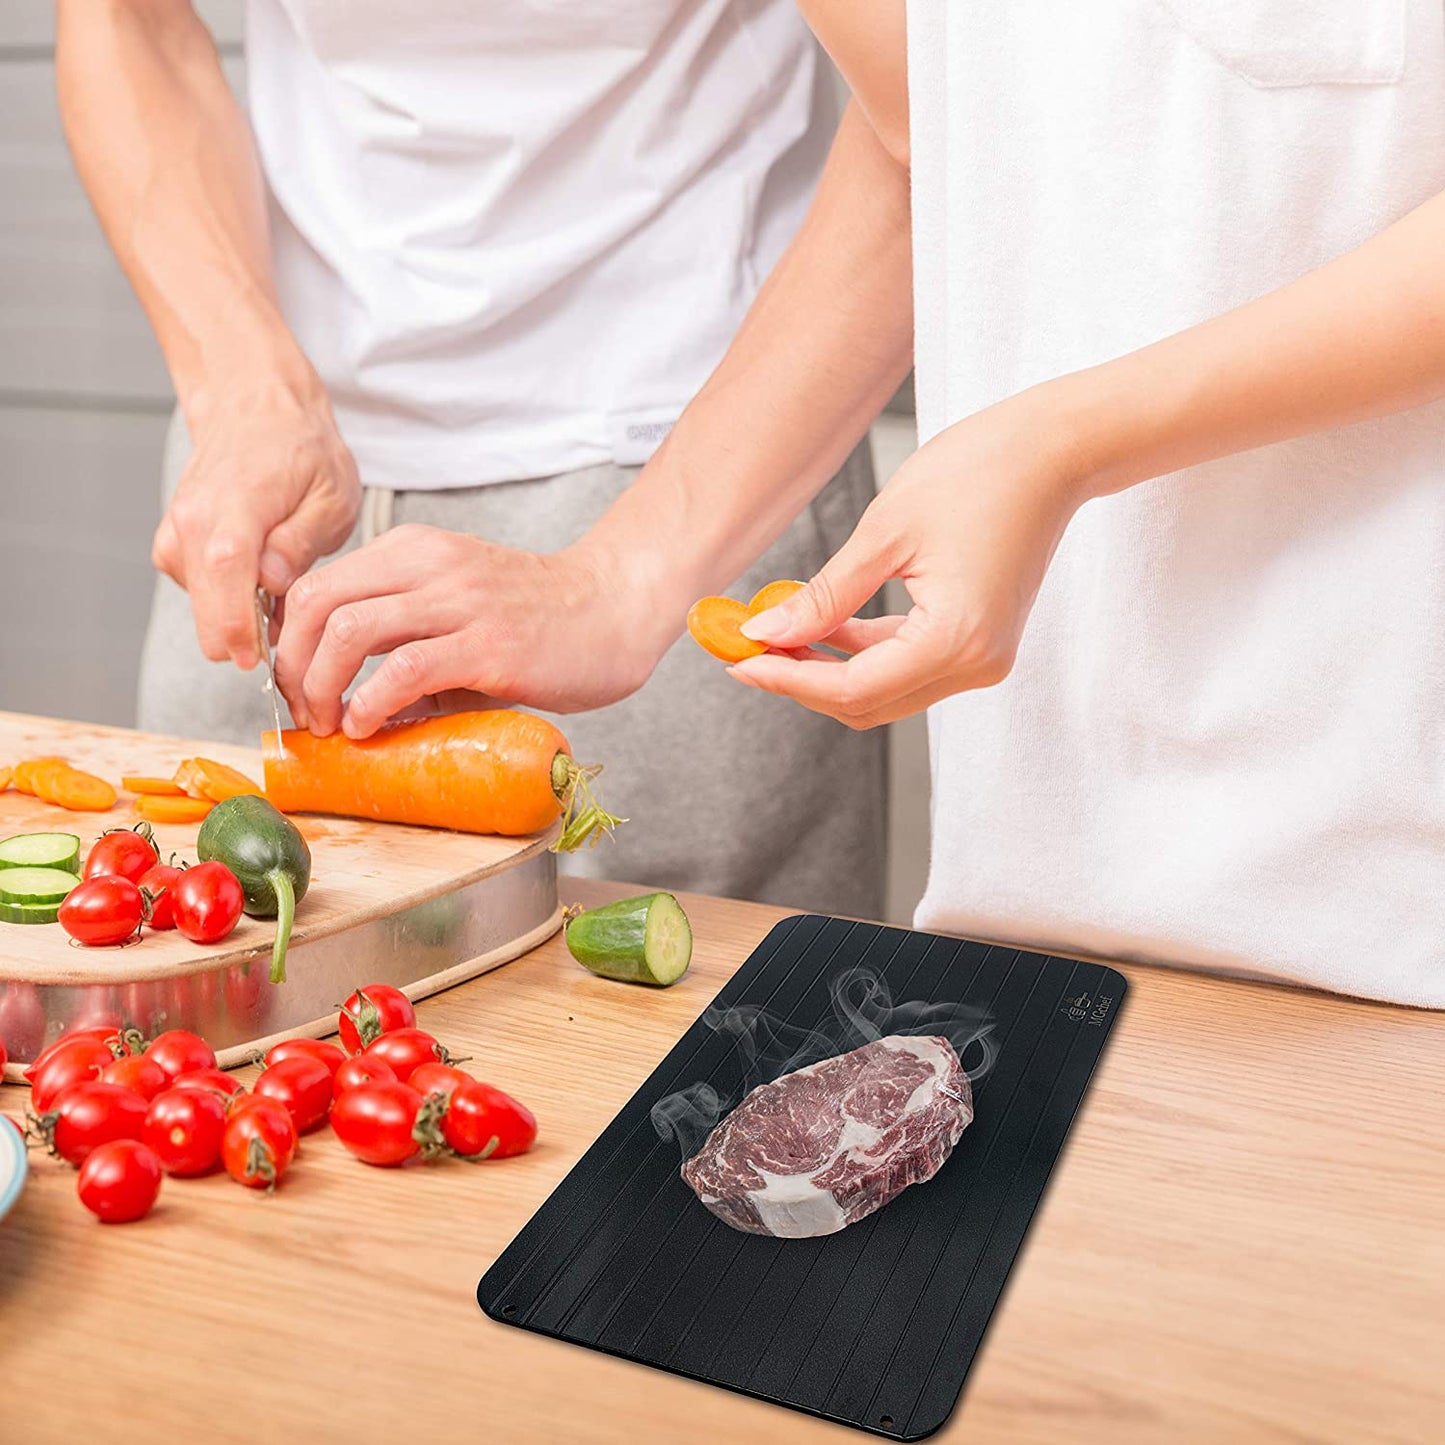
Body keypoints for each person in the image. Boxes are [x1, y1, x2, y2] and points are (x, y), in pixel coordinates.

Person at [276, 0, 1445, 1009]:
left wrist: (1060, 445)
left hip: (1377, 908)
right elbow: (927, 135)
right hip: (1035, 875)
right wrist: (621, 575)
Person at [55, 0, 886, 917]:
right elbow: (124, 18)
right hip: (264, 481)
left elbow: (931, 112)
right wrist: (238, 379)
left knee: (710, 1001)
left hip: (689, 480)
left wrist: (620, 579)